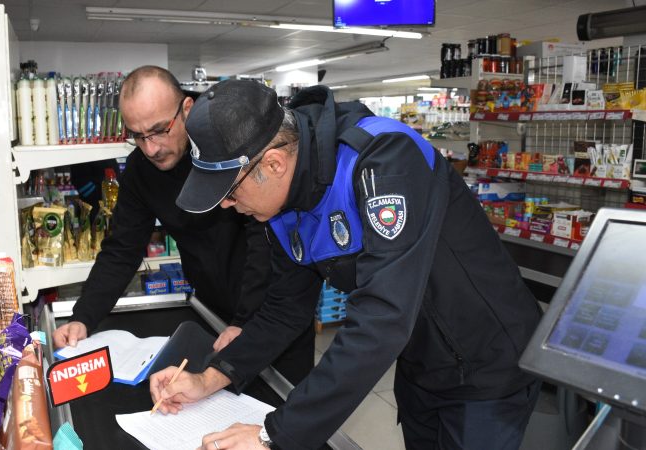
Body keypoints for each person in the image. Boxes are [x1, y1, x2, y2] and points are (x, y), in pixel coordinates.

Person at [150, 80, 544, 450]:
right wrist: (209, 378)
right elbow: (285, 308)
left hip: (486, 365)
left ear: (272, 164)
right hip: (419, 365)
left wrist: (273, 436)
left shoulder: (384, 159)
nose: (225, 206)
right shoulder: (282, 206)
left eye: (231, 192)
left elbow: (382, 317)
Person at [52, 66, 315, 385]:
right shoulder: (140, 169)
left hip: (274, 309)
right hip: (209, 310)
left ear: (186, 109)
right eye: (138, 135)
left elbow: (263, 235)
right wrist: (84, 316)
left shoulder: (228, 143)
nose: (151, 148)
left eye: (160, 130)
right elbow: (122, 248)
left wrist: (245, 320)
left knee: (277, 401)